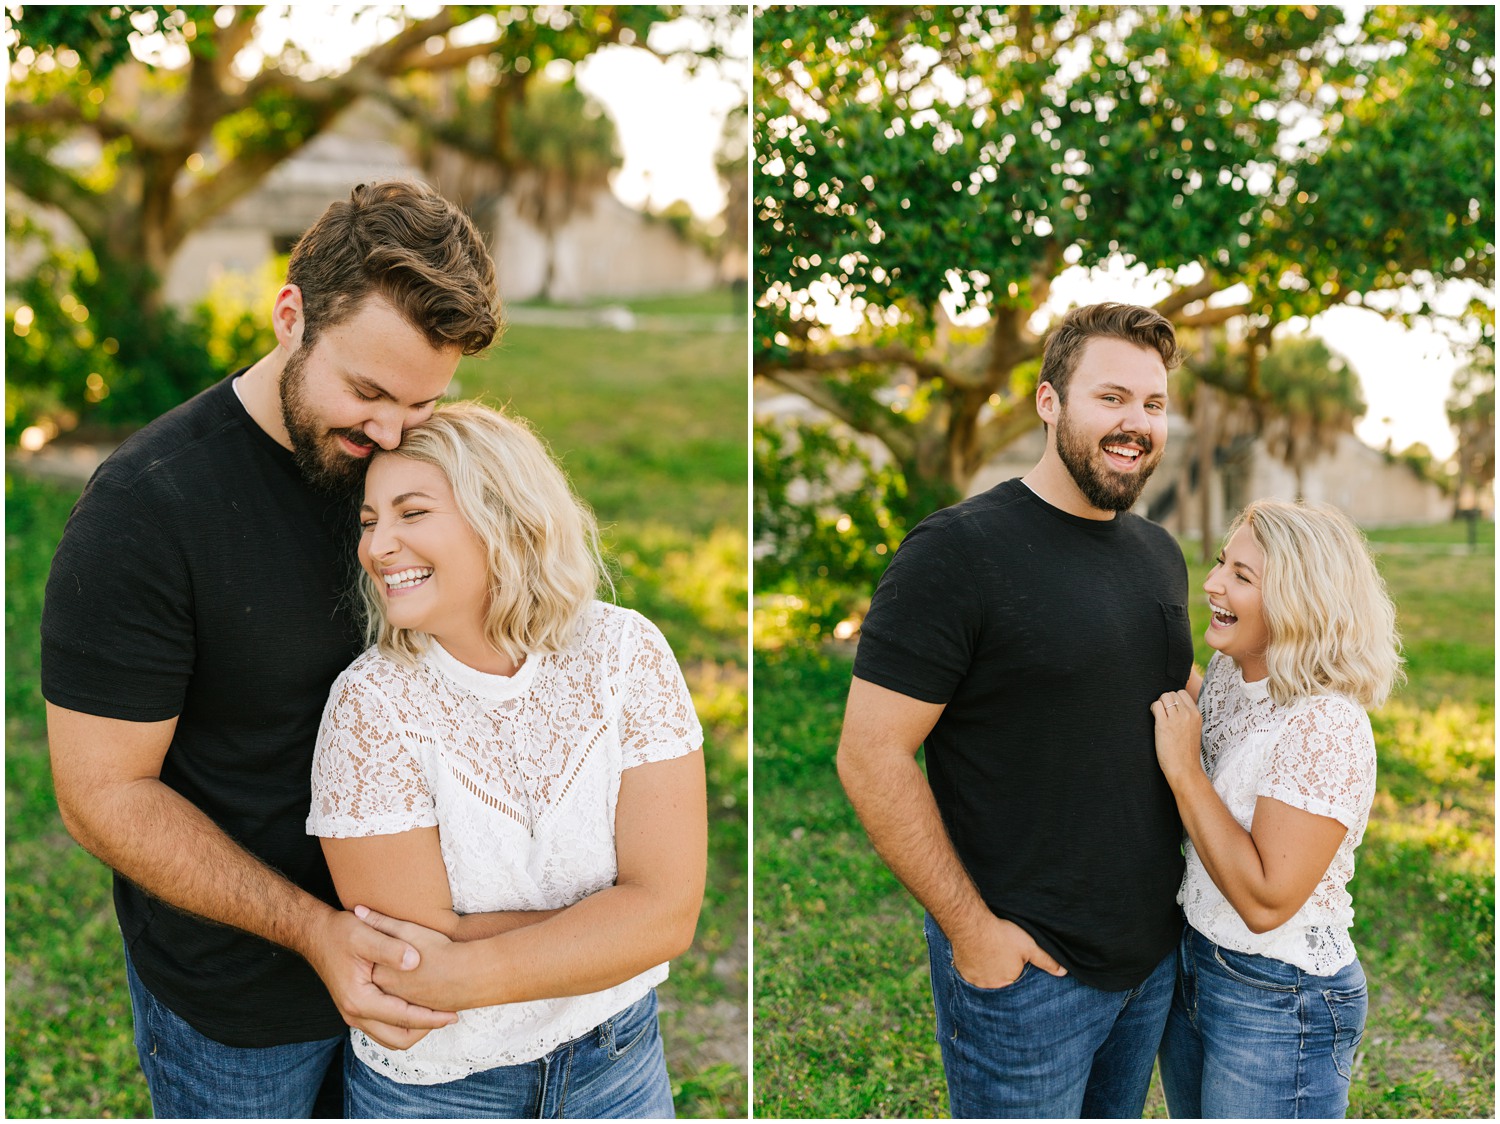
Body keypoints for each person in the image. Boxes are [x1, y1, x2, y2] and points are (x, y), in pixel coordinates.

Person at [41, 179, 499, 1118]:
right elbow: (102, 796)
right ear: (290, 314)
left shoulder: (421, 462)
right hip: (245, 1003)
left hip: (435, 979)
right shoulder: (146, 510)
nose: (389, 434)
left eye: (420, 403)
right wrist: (315, 932)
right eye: (366, 391)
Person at [837, 302, 1199, 1119]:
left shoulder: (1158, 555)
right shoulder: (957, 554)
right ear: (1048, 401)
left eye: (1152, 404)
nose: (1135, 424)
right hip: (1025, 978)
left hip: (1148, 960)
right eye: (1111, 398)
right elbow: (870, 756)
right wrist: (972, 931)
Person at [305, 400, 707, 1118]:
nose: (377, 546)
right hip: (443, 1089)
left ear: (504, 518)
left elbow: (668, 917)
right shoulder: (369, 707)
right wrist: (611, 922)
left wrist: (471, 959)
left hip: (618, 1057)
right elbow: (414, 964)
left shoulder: (625, 654)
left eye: (412, 513)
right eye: (370, 522)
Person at [1152, 499, 1403, 1119]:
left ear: (1299, 602)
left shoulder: (1327, 725)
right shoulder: (1233, 674)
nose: (1211, 582)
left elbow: (1267, 901)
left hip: (1281, 994)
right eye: (1220, 563)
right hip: (1196, 959)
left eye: (1242, 576)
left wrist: (1184, 771)